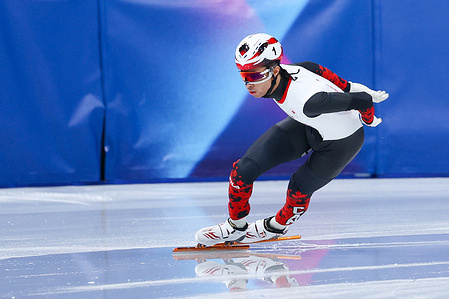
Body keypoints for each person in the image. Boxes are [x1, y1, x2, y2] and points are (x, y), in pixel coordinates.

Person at [195, 33, 389, 246]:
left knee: (298, 189)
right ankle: (235, 228)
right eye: (244, 76)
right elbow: (336, 81)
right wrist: (352, 87)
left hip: (341, 141)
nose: (248, 84)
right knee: (243, 169)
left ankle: (276, 227)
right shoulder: (303, 67)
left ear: (275, 70)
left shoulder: (308, 100)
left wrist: (368, 119)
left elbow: (363, 100)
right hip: (307, 123)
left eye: (255, 76)